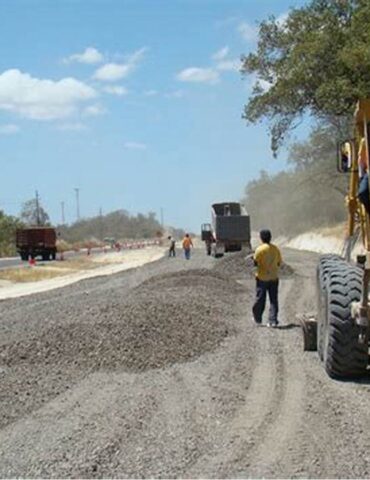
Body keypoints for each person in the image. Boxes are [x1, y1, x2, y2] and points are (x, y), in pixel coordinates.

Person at [252, 229, 282, 328]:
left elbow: (255, 263)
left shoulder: (259, 249)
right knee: (273, 300)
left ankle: (258, 319)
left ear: (261, 238)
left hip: (262, 278)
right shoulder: (275, 249)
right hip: (274, 277)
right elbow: (279, 263)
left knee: (260, 299)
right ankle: (272, 321)